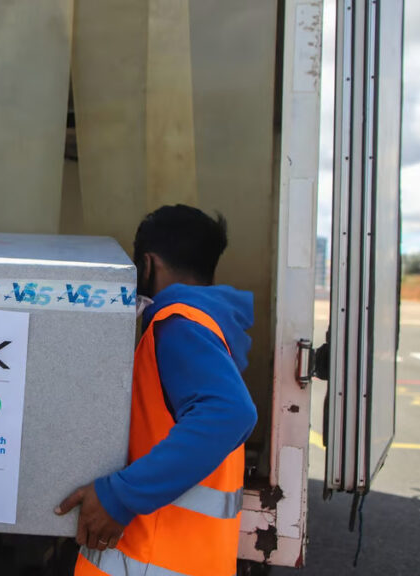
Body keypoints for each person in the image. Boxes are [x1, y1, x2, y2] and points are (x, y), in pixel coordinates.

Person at [57, 204, 258, 576]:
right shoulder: (206, 327)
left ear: (148, 265)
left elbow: (230, 412)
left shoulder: (178, 326)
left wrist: (120, 495)